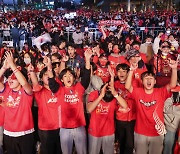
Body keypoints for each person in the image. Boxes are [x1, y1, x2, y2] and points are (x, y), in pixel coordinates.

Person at [125, 58, 178, 154]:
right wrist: (131, 70)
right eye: (146, 78)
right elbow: (127, 87)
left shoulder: (161, 92)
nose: (149, 80)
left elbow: (172, 85)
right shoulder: (138, 92)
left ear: (155, 82)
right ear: (142, 81)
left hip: (157, 133)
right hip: (140, 132)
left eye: (151, 78)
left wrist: (174, 69)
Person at [47, 49, 92, 154]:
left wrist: (88, 59)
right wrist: (49, 66)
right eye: (65, 76)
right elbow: (52, 82)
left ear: (74, 78)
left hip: (79, 127)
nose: (68, 78)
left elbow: (86, 78)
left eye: (70, 75)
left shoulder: (79, 88)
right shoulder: (60, 90)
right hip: (65, 128)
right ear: (62, 80)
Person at [87, 66, 128, 154]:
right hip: (94, 132)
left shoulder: (113, 97)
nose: (106, 102)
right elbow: (89, 109)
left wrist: (115, 93)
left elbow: (125, 106)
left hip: (109, 132)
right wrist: (100, 96)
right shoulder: (94, 94)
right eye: (104, 100)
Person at [0, 51, 34, 154]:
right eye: (9, 77)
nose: (10, 80)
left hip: (26, 134)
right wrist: (4, 67)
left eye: (14, 78)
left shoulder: (26, 91)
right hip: (9, 134)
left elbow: (24, 82)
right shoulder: (5, 90)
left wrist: (13, 65)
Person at [28, 63, 62, 154]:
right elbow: (35, 83)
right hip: (46, 129)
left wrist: (51, 67)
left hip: (61, 127)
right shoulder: (40, 91)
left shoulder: (59, 89)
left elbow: (60, 73)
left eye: (49, 74)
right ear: (41, 78)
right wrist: (31, 72)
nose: (47, 76)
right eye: (45, 75)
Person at [115, 63, 136, 154]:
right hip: (119, 119)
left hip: (132, 119)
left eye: (124, 71)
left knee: (130, 145)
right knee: (121, 144)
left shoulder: (135, 82)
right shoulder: (114, 84)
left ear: (128, 73)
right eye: (119, 71)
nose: (121, 73)